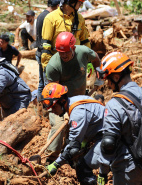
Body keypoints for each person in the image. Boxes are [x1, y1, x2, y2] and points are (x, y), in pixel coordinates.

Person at [97, 52, 142, 184]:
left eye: (108, 80)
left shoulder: (114, 105)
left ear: (116, 77)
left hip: (129, 169)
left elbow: (108, 144)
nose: (108, 84)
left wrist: (102, 172)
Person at [45, 32, 101, 162]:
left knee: (80, 127)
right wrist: (63, 109)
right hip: (59, 101)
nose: (63, 55)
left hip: (80, 100)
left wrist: (99, 73)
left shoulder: (83, 52)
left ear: (73, 48)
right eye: (60, 52)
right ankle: (50, 158)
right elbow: (53, 93)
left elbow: (96, 58)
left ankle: (72, 156)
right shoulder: (53, 66)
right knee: (59, 127)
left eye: (66, 52)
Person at [41, 83, 109, 185]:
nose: (53, 111)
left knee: (83, 168)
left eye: (54, 107)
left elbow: (73, 147)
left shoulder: (77, 113)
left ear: (62, 100)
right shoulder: (74, 101)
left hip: (110, 138)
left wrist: (56, 164)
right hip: (102, 133)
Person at [41, 0, 91, 70]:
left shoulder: (80, 19)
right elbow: (46, 46)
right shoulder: (50, 18)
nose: (81, 4)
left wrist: (88, 61)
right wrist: (48, 67)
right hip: (57, 65)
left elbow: (85, 42)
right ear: (71, 1)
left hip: (75, 65)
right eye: (79, 2)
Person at [36, 0, 60, 101]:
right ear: (57, 6)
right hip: (45, 53)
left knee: (42, 82)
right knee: (47, 83)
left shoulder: (41, 15)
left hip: (40, 52)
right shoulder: (48, 17)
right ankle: (47, 107)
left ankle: (40, 107)